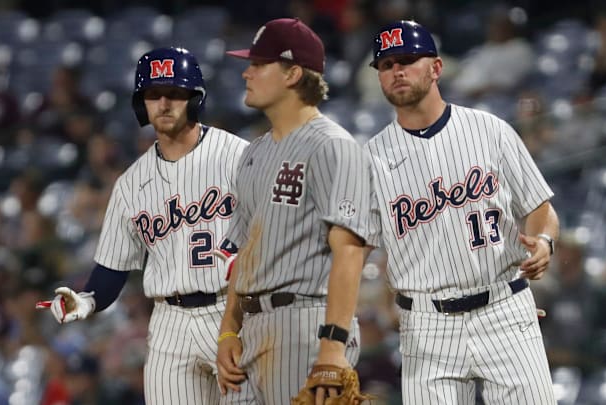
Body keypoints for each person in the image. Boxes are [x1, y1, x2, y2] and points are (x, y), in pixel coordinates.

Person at [36, 46, 249, 404]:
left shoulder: (238, 155)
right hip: (169, 322)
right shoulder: (131, 184)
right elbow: (110, 272)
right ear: (142, 104)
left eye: (175, 94)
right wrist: (85, 302)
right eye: (153, 95)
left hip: (234, 312)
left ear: (194, 99)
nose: (163, 104)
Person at [364, 20, 560, 404]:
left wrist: (545, 242)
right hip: (426, 325)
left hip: (504, 307)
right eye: (386, 65)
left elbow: (541, 209)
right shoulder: (370, 160)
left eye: (406, 60)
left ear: (436, 68)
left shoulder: (490, 130)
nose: (396, 71)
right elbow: (353, 248)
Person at [215, 18, 373, 405]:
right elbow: (244, 254)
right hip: (252, 329)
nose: (246, 72)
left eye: (259, 64)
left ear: (293, 74)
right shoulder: (254, 152)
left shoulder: (332, 146)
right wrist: (228, 331)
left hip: (304, 323)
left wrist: (333, 347)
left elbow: (350, 250)